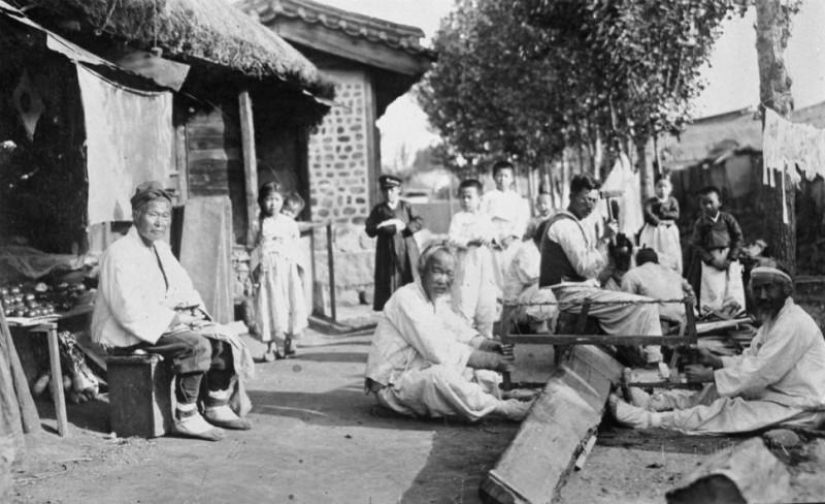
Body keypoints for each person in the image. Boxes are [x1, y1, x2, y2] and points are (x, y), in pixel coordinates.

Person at [92, 181, 254, 441]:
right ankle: (186, 416)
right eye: (153, 214)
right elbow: (127, 309)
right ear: (136, 215)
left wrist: (193, 311)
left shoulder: (161, 249)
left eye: (165, 216)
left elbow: (183, 287)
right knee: (196, 345)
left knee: (221, 338)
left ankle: (215, 404)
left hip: (157, 322)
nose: (160, 222)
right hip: (127, 329)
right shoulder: (119, 253)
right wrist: (175, 318)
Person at [610, 265, 825, 434]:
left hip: (799, 407)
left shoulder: (793, 323)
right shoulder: (773, 321)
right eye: (758, 288)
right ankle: (654, 402)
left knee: (729, 411)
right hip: (777, 393)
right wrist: (716, 361)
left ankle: (650, 420)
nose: (762, 296)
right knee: (712, 391)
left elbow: (759, 371)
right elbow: (750, 358)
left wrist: (712, 374)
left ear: (785, 290)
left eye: (769, 288)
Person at [364, 245, 536, 422]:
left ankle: (503, 393)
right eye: (437, 271)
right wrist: (489, 360)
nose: (443, 280)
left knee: (465, 366)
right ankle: (503, 408)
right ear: (422, 270)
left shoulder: (433, 300)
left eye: (449, 274)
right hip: (393, 386)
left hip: (415, 372)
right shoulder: (406, 298)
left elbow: (458, 328)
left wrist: (487, 345)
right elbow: (436, 350)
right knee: (440, 376)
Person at [539, 174, 663, 365]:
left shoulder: (576, 223)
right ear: (571, 197)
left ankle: (639, 356)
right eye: (586, 199)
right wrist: (604, 238)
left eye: (595, 201)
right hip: (574, 296)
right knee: (648, 305)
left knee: (637, 303)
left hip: (584, 292)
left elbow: (592, 270)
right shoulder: (564, 225)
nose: (590, 205)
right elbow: (585, 268)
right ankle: (653, 361)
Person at [251, 182, 307, 362]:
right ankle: (271, 345)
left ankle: (289, 340)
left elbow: (296, 247)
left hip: (286, 271)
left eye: (276, 199)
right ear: (262, 202)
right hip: (268, 273)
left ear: (282, 201)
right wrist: (255, 270)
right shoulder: (258, 224)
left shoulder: (289, 224)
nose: (272, 204)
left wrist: (298, 270)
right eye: (268, 200)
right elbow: (253, 248)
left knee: (289, 303)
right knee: (269, 305)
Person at [365, 175, 424, 311]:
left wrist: (405, 226)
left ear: (399, 190)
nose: (388, 193)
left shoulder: (406, 206)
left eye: (391, 190)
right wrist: (380, 226)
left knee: (408, 277)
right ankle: (391, 313)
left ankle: (412, 311)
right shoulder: (379, 209)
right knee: (388, 280)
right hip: (386, 251)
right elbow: (369, 229)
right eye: (385, 190)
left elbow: (419, 221)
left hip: (406, 249)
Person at [447, 179, 498, 338]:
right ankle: (463, 340)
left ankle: (486, 337)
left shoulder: (485, 218)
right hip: (466, 265)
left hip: (485, 266)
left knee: (486, 303)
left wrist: (490, 240)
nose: (465, 201)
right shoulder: (458, 218)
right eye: (462, 197)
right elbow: (451, 239)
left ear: (479, 199)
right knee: (465, 302)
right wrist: (469, 241)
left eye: (469, 197)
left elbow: (494, 238)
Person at [688, 186, 745, 318]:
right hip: (711, 261)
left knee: (732, 286)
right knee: (713, 289)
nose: (707, 206)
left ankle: (734, 313)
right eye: (704, 203)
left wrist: (731, 258)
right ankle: (712, 315)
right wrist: (712, 260)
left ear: (719, 202)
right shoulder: (700, 223)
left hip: (729, 258)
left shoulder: (727, 219)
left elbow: (738, 238)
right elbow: (697, 245)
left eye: (711, 202)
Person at [481, 160, 530, 290]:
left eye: (506, 176)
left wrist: (512, 236)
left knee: (512, 270)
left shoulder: (516, 198)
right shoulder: (488, 197)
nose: (502, 179)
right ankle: (497, 300)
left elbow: (521, 219)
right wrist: (492, 239)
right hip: (494, 238)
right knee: (494, 271)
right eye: (499, 175)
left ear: (512, 179)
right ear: (494, 177)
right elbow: (483, 219)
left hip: (511, 239)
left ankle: (512, 296)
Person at [501, 220, 558, 333]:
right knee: (545, 290)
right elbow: (535, 278)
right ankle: (535, 327)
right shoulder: (527, 250)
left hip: (525, 303)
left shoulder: (543, 251)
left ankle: (541, 325)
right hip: (513, 309)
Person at [621, 248, 695, 329]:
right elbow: (691, 294)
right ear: (657, 261)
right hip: (683, 321)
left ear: (637, 262)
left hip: (656, 324)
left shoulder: (631, 275)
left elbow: (627, 306)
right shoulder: (673, 273)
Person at [638, 176, 682, 273]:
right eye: (659, 186)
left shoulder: (672, 201)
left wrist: (664, 213)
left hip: (668, 230)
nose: (662, 189)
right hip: (653, 230)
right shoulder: (651, 201)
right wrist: (657, 221)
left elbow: (676, 214)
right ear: (655, 188)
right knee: (654, 251)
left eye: (665, 186)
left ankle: (671, 272)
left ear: (670, 189)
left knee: (670, 252)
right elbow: (648, 214)